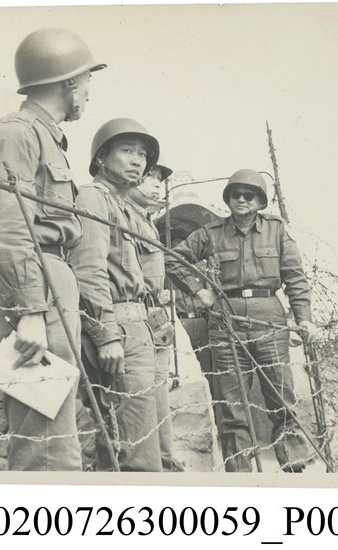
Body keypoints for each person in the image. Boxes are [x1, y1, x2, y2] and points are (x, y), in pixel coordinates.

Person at [0, 28, 105, 471]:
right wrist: (30, 310)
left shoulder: (46, 137)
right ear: (69, 82)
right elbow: (10, 227)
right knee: (45, 449)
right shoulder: (16, 134)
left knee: (56, 437)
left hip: (50, 285)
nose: (88, 92)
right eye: (86, 80)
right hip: (36, 289)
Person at [165, 169, 318, 472]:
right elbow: (171, 258)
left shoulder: (276, 231)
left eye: (249, 195)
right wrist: (199, 291)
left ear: (260, 201)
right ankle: (239, 475)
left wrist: (304, 319)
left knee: (281, 397)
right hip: (226, 321)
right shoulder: (212, 233)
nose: (241, 200)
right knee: (231, 405)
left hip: (269, 319)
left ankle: (295, 469)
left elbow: (295, 278)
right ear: (228, 199)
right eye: (235, 194)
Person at [68, 118, 162, 471]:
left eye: (142, 154)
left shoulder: (124, 206)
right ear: (101, 158)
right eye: (127, 150)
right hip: (118, 327)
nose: (137, 160)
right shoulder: (94, 197)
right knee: (137, 454)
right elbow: (88, 269)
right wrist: (106, 334)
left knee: (128, 443)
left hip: (138, 328)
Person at [125, 163, 185, 471]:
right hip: (132, 312)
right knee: (141, 396)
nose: (157, 185)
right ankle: (149, 468)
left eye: (160, 181)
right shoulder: (120, 214)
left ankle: (165, 462)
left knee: (159, 390)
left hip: (153, 313)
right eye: (150, 178)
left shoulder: (146, 221)